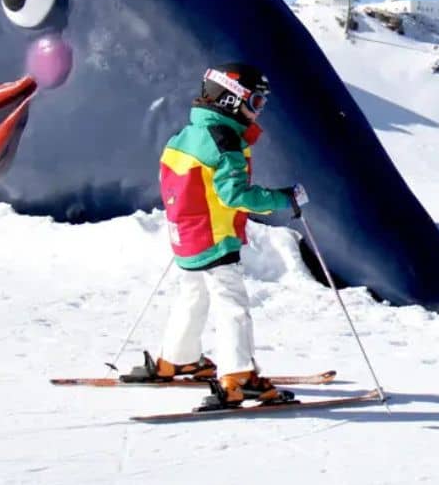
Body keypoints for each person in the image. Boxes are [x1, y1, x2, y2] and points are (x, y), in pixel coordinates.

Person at [130, 62, 308, 407]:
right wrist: (282, 198)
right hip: (213, 234)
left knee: (193, 293)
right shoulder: (224, 140)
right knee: (233, 304)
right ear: (229, 100)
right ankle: (239, 375)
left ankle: (177, 358)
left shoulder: (185, 135)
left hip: (186, 234)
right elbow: (234, 195)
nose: (259, 112)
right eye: (256, 103)